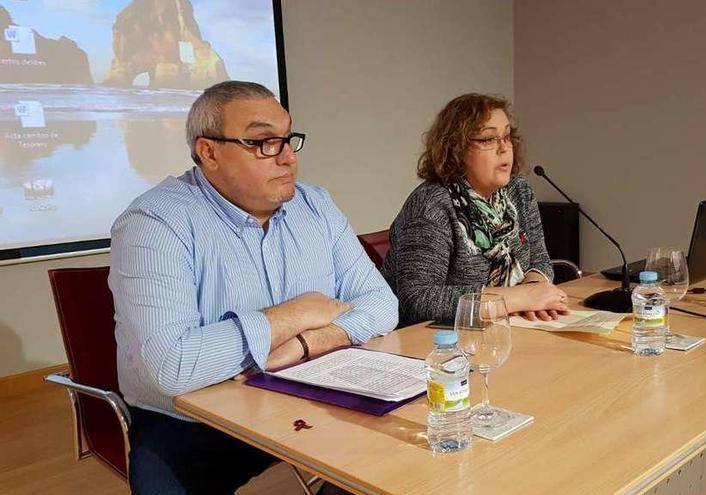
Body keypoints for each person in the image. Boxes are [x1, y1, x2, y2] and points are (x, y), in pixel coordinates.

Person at [109, 80, 396, 494]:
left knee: (407, 461)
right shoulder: (155, 223)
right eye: (264, 142)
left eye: (289, 139)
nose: (288, 159)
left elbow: (382, 304)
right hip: (196, 419)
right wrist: (292, 315)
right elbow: (171, 367)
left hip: (311, 388)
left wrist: (305, 344)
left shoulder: (315, 205)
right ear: (208, 153)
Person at [382, 93, 569, 327]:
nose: (504, 148)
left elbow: (539, 259)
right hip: (433, 341)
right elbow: (418, 299)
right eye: (489, 139)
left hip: (506, 328)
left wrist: (534, 290)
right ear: (456, 149)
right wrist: (516, 299)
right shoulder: (432, 203)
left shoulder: (518, 191)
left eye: (507, 137)